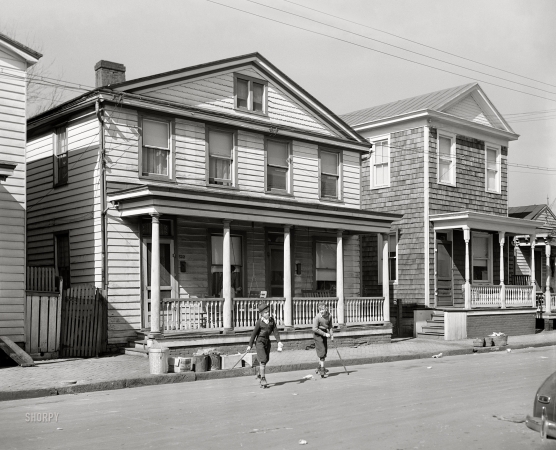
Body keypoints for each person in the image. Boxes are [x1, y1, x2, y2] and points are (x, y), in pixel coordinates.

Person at [246, 302, 283, 388]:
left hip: (267, 342)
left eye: (268, 311)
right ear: (262, 314)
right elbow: (254, 334)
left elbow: (275, 331)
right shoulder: (259, 322)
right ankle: (263, 379)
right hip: (260, 342)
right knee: (263, 360)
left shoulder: (271, 320)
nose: (268, 313)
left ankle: (259, 373)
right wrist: (249, 345)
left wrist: (279, 341)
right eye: (265, 312)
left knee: (266, 359)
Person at [312, 302, 334, 377]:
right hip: (318, 334)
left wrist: (332, 335)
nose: (321, 311)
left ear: (326, 309)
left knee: (325, 351)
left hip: (325, 333)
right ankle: (322, 369)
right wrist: (324, 334)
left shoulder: (330, 316)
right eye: (320, 310)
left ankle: (319, 367)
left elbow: (330, 326)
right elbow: (314, 329)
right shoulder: (317, 317)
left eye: (323, 309)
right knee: (322, 351)